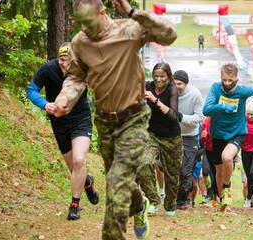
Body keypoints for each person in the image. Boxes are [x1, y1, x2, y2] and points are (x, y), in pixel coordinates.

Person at [53, 0, 177, 238]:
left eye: (89, 22)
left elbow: (169, 34)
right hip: (105, 122)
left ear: (102, 13)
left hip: (134, 119)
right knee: (118, 182)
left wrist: (132, 12)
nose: (85, 28)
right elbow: (75, 78)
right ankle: (139, 205)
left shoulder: (128, 30)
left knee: (117, 182)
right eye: (81, 23)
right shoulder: (80, 42)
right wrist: (64, 99)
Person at [27, 42, 99, 221]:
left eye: (68, 60)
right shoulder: (47, 69)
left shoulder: (83, 69)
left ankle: (74, 204)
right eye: (61, 60)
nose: (64, 64)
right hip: (59, 122)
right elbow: (31, 90)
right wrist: (45, 104)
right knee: (74, 167)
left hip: (80, 119)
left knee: (79, 160)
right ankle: (87, 182)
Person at [202, 63, 253, 210]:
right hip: (217, 133)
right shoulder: (216, 88)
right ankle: (222, 200)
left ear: (236, 78)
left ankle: (227, 187)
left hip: (237, 132)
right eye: (224, 80)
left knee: (227, 158)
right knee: (219, 171)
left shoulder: (243, 90)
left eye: (230, 80)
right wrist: (223, 107)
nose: (227, 83)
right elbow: (206, 110)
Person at [140, 63, 183, 217]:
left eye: (162, 76)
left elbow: (173, 116)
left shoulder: (172, 89)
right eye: (156, 76)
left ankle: (170, 206)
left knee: (172, 175)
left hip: (171, 136)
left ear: (168, 76)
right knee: (143, 164)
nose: (158, 79)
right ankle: (153, 201)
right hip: (151, 134)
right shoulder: (147, 86)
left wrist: (155, 100)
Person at [173, 70, 205, 209]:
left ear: (186, 83)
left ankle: (182, 201)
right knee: (169, 168)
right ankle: (170, 197)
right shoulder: (168, 93)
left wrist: (182, 117)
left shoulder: (195, 94)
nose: (176, 86)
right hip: (172, 135)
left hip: (190, 136)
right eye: (174, 84)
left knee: (186, 170)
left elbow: (200, 117)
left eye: (179, 84)